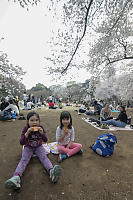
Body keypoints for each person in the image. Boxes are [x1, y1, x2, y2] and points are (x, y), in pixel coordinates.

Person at [5, 111, 62, 189]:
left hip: (39, 147)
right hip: (28, 147)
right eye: (32, 120)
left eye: (36, 120)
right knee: (24, 160)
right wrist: (27, 133)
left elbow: (45, 140)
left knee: (44, 158)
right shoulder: (25, 129)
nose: (34, 122)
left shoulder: (40, 128)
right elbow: (21, 142)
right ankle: (16, 178)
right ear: (27, 121)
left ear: (39, 121)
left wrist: (42, 134)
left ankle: (52, 172)